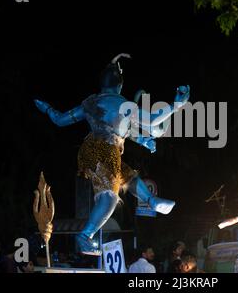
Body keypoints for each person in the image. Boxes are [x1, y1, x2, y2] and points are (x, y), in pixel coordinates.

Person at [34, 53, 190, 255]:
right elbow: (152, 122)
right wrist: (176, 105)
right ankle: (84, 236)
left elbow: (60, 120)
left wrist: (46, 108)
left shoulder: (90, 103)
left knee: (128, 176)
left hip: (98, 149)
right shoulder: (124, 105)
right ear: (120, 85)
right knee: (109, 197)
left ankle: (151, 200)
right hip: (103, 151)